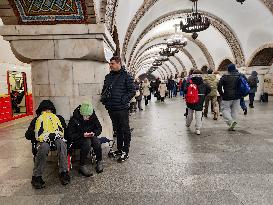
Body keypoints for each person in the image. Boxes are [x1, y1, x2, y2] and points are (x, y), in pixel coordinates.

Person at [25, 100, 70, 189]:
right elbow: (28, 135)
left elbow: (65, 131)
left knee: (62, 144)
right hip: (43, 140)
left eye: (49, 110)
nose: (47, 112)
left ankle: (64, 172)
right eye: (45, 110)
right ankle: (37, 176)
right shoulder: (37, 120)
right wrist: (36, 132)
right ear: (40, 111)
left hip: (57, 138)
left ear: (53, 111)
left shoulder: (58, 118)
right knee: (44, 146)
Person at [101, 56, 136, 163]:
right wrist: (105, 101)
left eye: (112, 63)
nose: (110, 65)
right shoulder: (108, 77)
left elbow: (132, 91)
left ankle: (126, 151)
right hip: (111, 107)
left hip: (122, 108)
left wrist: (122, 100)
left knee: (125, 130)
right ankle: (119, 149)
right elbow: (104, 90)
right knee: (118, 130)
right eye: (110, 63)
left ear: (118, 63)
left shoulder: (127, 76)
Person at [66, 101, 103, 177]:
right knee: (87, 142)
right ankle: (82, 165)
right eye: (85, 116)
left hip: (90, 136)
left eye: (89, 116)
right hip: (77, 139)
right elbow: (69, 135)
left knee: (96, 141)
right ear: (81, 114)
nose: (87, 118)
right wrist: (82, 134)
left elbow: (99, 128)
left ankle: (99, 161)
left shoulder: (93, 116)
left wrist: (94, 133)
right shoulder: (74, 119)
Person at [185, 70, 211, 135]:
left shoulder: (189, 82)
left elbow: (185, 90)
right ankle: (198, 129)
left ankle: (188, 124)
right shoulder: (203, 83)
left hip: (190, 100)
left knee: (190, 113)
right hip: (200, 100)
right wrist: (204, 94)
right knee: (198, 115)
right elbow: (209, 89)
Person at [217, 63, 242, 131]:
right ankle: (232, 125)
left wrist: (221, 93)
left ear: (228, 69)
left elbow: (219, 85)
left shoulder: (225, 76)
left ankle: (231, 122)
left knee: (224, 109)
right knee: (234, 111)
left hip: (227, 96)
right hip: (237, 96)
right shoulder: (239, 75)